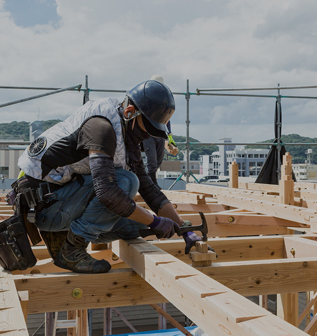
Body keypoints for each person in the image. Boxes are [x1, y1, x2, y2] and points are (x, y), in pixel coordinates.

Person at [17, 80, 201, 274]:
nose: (147, 136)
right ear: (130, 112)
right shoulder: (101, 127)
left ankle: (72, 239)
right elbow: (106, 193)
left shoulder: (127, 132)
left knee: (134, 227)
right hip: (42, 206)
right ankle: (72, 249)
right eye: (147, 128)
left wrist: (184, 229)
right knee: (126, 182)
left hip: (63, 201)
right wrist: (155, 221)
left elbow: (148, 188)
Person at [142, 75, 177, 187]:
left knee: (158, 160)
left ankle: (150, 181)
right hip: (148, 133)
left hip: (160, 133)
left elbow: (167, 118)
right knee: (151, 160)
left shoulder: (164, 99)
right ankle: (152, 185)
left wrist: (169, 134)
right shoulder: (146, 98)